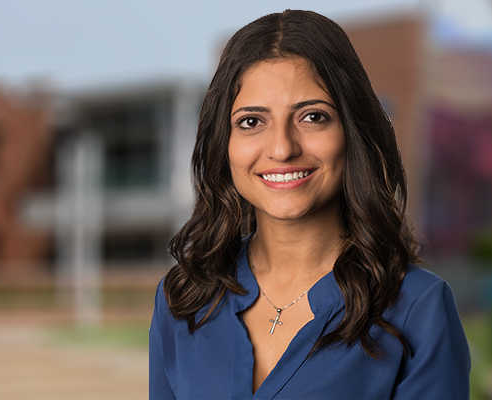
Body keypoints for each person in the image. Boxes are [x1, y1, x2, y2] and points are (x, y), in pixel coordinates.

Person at [150, 9, 470, 399]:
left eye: (313, 116)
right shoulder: (181, 300)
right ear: (224, 143)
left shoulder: (417, 308)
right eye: (252, 121)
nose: (283, 148)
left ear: (352, 131)